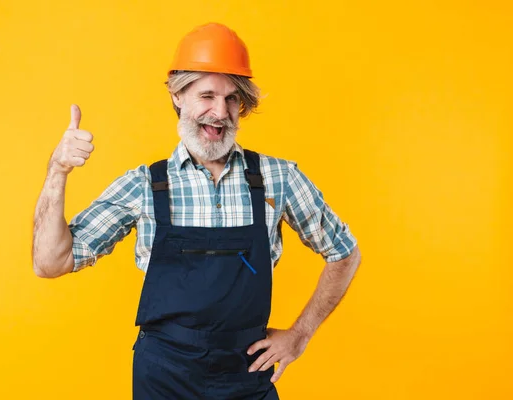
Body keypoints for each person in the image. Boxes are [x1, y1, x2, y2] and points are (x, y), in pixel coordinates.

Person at [32, 22, 361, 400]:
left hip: (247, 374)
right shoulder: (144, 185)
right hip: (163, 377)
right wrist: (58, 171)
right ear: (178, 95)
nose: (219, 113)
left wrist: (299, 336)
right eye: (206, 96)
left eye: (232, 99)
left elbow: (344, 252)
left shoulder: (277, 178)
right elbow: (50, 262)